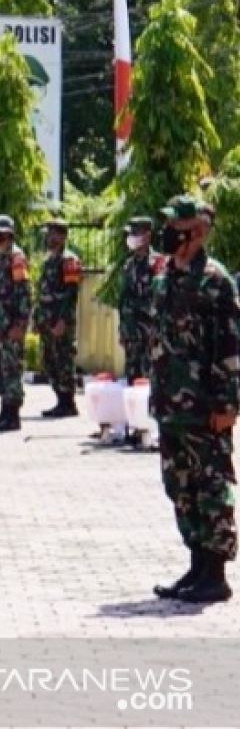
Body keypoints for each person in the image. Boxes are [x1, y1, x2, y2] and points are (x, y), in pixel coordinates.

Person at [151, 195, 238, 603]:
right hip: (170, 404)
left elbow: (229, 348)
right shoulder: (166, 275)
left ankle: (216, 574)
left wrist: (226, 403)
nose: (168, 233)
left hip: (205, 405)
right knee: (179, 485)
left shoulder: (216, 281)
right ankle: (197, 564)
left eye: (177, 227)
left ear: (197, 232)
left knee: (211, 486)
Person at [0, 215, 31, 433]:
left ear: (8, 234)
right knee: (0, 369)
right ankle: (4, 412)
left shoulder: (16, 257)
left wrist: (20, 324)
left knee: (11, 368)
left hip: (11, 325)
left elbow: (24, 293)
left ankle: (13, 416)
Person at [32, 219, 82, 418]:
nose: (49, 237)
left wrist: (62, 320)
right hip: (46, 320)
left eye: (53, 234)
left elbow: (71, 293)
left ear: (62, 236)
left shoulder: (69, 260)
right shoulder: (48, 261)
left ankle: (68, 402)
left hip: (60, 321)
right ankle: (60, 400)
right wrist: (37, 319)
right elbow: (41, 292)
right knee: (49, 360)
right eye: (48, 233)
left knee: (63, 360)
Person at [118, 216, 165, 384]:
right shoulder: (129, 264)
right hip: (131, 330)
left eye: (135, 233)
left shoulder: (158, 263)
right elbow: (123, 298)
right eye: (131, 234)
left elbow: (161, 298)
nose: (131, 238)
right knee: (131, 374)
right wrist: (122, 329)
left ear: (147, 235)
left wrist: (157, 330)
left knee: (149, 375)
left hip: (149, 330)